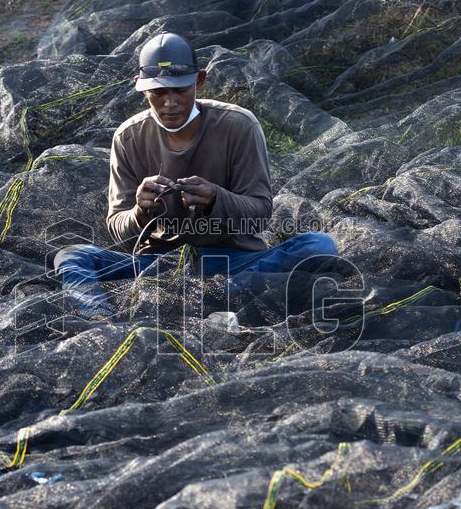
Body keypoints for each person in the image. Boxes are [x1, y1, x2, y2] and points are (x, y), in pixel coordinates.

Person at [54, 32, 337, 318]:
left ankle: (214, 294)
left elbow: (261, 214)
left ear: (199, 81)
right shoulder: (129, 137)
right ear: (140, 88)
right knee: (73, 256)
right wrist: (140, 211)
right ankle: (98, 318)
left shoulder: (238, 125)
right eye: (159, 92)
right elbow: (119, 231)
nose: (170, 102)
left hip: (233, 258)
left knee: (319, 245)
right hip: (160, 264)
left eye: (180, 89)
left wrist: (217, 199)